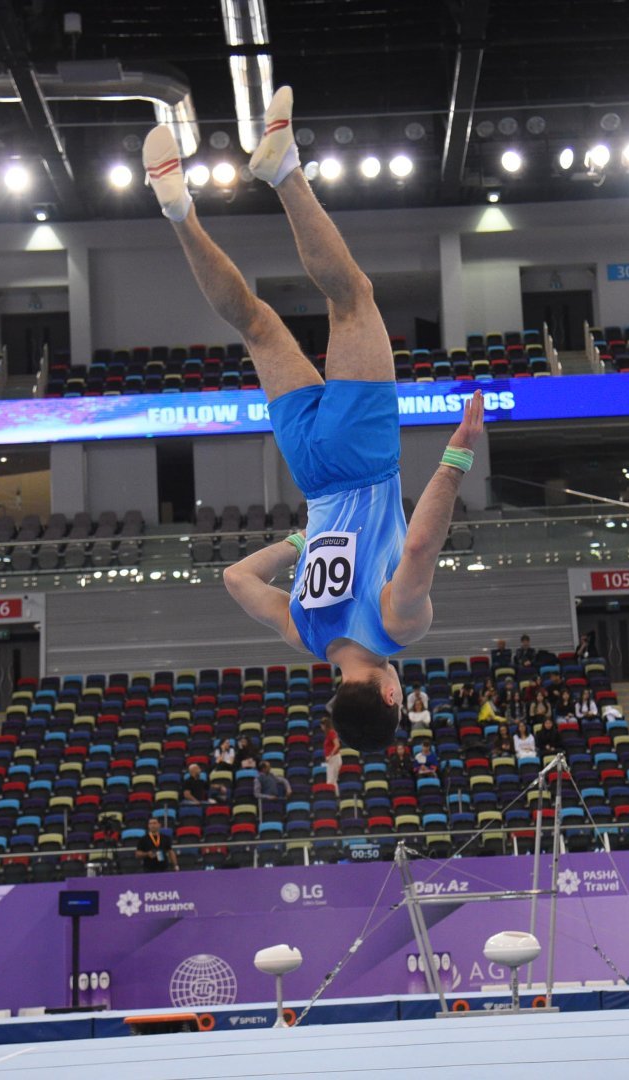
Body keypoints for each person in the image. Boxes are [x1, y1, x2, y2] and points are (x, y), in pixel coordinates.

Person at [159, 89, 485, 754]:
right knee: (255, 324)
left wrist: (456, 457)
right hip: (309, 470)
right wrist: (301, 543)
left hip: (364, 463)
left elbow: (421, 549)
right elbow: (236, 579)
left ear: (392, 694)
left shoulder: (398, 627)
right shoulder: (302, 631)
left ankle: (284, 172)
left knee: (352, 300)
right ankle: (178, 212)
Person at [322, 719, 343, 788]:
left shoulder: (332, 733)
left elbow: (337, 745)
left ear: (325, 725)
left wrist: (330, 756)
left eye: (322, 725)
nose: (321, 727)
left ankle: (333, 797)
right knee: (332, 781)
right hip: (332, 760)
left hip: (334, 758)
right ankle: (335, 797)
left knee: (331, 782)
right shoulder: (328, 734)